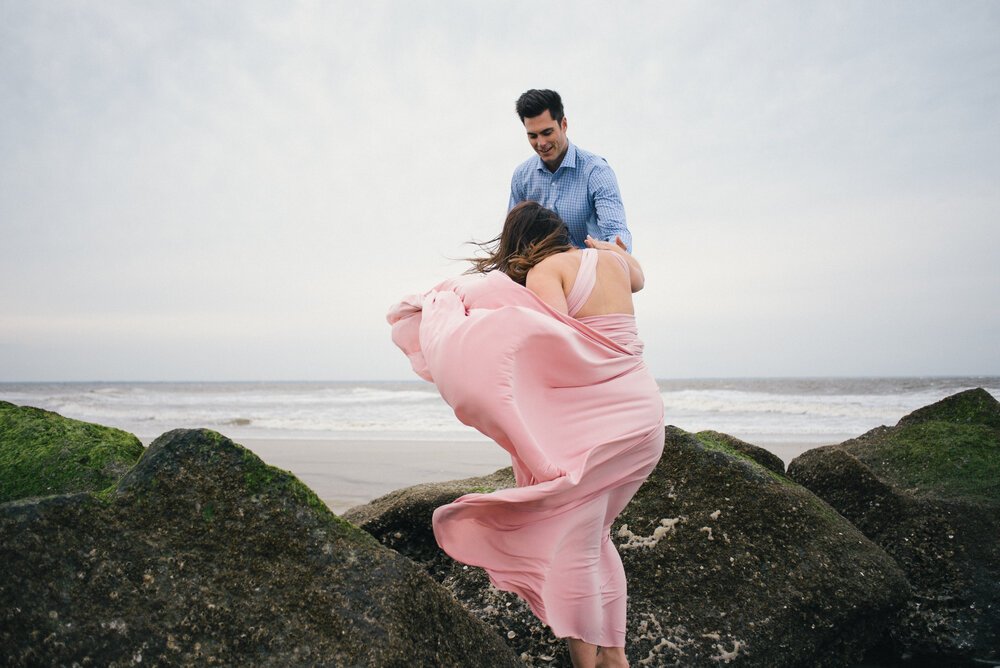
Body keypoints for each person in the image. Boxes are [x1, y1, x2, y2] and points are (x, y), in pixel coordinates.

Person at [387, 202, 664, 668]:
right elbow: (639, 277)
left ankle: (589, 664)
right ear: (560, 232)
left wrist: (474, 330)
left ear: (521, 245)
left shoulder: (544, 273)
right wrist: (608, 249)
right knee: (596, 536)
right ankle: (616, 657)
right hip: (645, 419)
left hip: (604, 430)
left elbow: (552, 347)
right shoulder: (612, 262)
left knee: (575, 546)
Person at [509, 89, 633, 253]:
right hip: (539, 274)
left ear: (564, 124)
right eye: (533, 136)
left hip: (589, 271)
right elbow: (513, 239)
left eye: (547, 132)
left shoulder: (596, 172)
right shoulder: (521, 177)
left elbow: (616, 231)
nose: (541, 143)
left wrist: (618, 250)